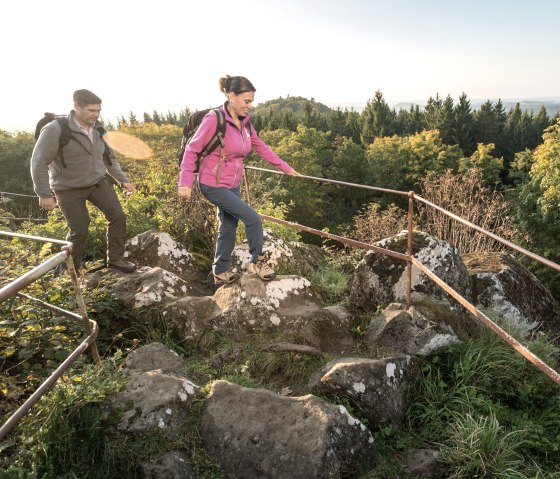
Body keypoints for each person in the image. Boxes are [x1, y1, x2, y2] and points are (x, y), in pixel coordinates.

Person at [178, 75, 300, 285]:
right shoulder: (213, 119)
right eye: (246, 101)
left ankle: (220, 271)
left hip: (233, 182)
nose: (250, 106)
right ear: (231, 96)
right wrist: (185, 182)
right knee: (252, 218)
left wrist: (285, 167)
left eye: (251, 101)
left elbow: (259, 145)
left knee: (228, 225)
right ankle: (258, 262)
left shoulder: (244, 121)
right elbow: (192, 149)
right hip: (213, 184)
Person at [30, 89, 136, 273]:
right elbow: (38, 161)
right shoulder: (55, 129)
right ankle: (71, 271)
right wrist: (44, 194)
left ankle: (116, 260)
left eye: (98, 111)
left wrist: (122, 179)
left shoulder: (100, 129)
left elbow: (109, 159)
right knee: (80, 230)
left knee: (118, 216)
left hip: (96, 183)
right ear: (77, 106)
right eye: (91, 111)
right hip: (67, 189)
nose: (96, 115)